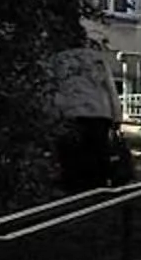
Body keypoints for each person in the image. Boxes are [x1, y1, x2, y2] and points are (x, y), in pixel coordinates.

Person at [50, 30, 122, 191]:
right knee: (97, 157)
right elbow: (110, 89)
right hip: (98, 113)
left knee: (71, 159)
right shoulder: (97, 60)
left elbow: (52, 89)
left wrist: (52, 115)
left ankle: (74, 191)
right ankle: (97, 191)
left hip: (69, 113)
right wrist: (117, 117)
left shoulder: (58, 60)